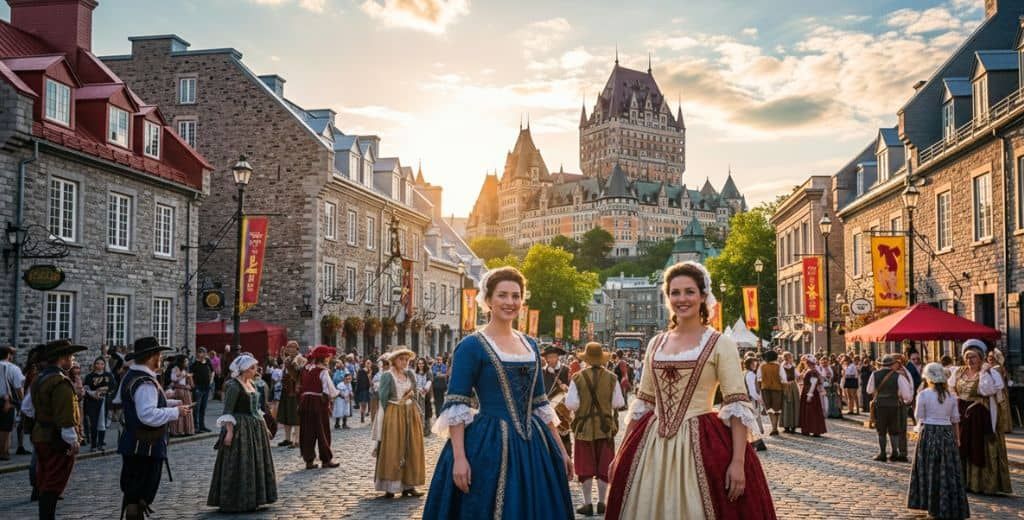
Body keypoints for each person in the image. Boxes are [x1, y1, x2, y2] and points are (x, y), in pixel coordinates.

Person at [605, 262, 775, 519]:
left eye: (689, 292)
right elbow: (643, 404)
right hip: (651, 446)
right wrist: (621, 454)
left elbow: (736, 405)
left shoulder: (720, 344)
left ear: (703, 296)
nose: (681, 299)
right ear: (667, 297)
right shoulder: (656, 343)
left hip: (704, 443)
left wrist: (738, 462)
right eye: (675, 293)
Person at [423, 266, 574, 519]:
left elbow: (540, 403)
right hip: (487, 444)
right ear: (488, 300)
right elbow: (456, 404)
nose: (510, 302)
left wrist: (560, 449)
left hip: (534, 444)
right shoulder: (471, 346)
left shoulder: (531, 344)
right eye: (502, 295)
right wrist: (459, 458)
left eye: (516, 296)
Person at [115, 337, 190, 520]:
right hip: (145, 445)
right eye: (160, 355)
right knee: (140, 494)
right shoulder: (145, 382)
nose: (161, 359)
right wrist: (174, 412)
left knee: (133, 492)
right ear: (151, 357)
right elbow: (147, 415)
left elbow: (123, 401)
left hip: (133, 442)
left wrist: (168, 401)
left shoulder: (131, 376)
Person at [207, 354, 278, 512]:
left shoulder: (251, 383)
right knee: (240, 462)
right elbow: (228, 411)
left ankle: (256, 498)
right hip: (241, 429)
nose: (255, 370)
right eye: (252, 368)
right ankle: (236, 500)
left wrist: (265, 427)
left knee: (255, 462)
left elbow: (256, 409)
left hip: (255, 428)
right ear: (244, 369)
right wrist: (229, 432)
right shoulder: (233, 386)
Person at [565, 342, 625, 516]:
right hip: (605, 429)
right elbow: (618, 403)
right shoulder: (612, 377)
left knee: (584, 467)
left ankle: (587, 505)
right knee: (604, 466)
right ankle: (601, 503)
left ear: (587, 359)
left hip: (583, 429)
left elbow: (571, 404)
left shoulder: (577, 377)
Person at [29, 340, 86, 519]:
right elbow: (66, 416)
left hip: (40, 435)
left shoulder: (39, 378)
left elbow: (27, 408)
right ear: (63, 358)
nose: (73, 359)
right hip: (56, 440)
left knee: (45, 480)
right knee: (53, 484)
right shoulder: (60, 382)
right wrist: (73, 441)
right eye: (71, 356)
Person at [907, 362, 969, 520]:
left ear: (928, 378)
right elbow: (955, 420)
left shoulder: (924, 394)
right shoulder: (951, 396)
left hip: (929, 432)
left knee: (929, 469)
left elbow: (919, 415)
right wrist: (957, 438)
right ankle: (948, 505)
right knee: (947, 470)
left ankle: (931, 506)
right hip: (947, 433)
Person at [950, 339, 1011, 495]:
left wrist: (984, 372)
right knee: (962, 446)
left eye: (973, 357)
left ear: (981, 358)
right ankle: (964, 482)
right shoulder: (959, 372)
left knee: (980, 447)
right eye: (967, 357)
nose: (970, 360)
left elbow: (987, 391)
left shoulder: (989, 373)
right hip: (962, 414)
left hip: (980, 415)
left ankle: (982, 484)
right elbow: (951, 389)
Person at [375, 347, 426, 497]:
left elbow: (415, 392)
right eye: (401, 359)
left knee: (412, 447)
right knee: (393, 447)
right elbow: (383, 399)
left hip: (410, 413)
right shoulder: (387, 376)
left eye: (406, 359)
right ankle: (390, 486)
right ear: (394, 361)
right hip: (394, 412)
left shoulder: (410, 374)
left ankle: (409, 486)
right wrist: (388, 416)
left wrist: (410, 398)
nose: (404, 362)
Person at [298, 345, 340, 469]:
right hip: (318, 402)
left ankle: (309, 460)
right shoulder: (323, 371)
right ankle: (326, 460)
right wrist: (335, 397)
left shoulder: (306, 368)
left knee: (307, 432)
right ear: (324, 358)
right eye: (327, 356)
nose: (329, 358)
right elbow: (328, 390)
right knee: (323, 431)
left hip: (305, 402)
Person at [867, 355, 913, 462]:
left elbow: (869, 390)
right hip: (894, 405)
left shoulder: (875, 374)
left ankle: (882, 453)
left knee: (881, 430)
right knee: (894, 430)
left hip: (880, 405)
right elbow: (907, 395)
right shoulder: (898, 376)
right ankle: (894, 453)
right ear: (892, 365)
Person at [541, 344, 573, 454]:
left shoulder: (565, 370)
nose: (551, 359)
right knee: (549, 436)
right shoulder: (542, 371)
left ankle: (568, 458)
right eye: (549, 357)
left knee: (564, 435)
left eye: (553, 356)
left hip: (562, 407)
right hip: (547, 407)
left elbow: (571, 389)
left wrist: (566, 388)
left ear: (557, 357)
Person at [82, 357, 115, 451]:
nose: (99, 365)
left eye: (101, 364)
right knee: (93, 424)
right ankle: (93, 445)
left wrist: (102, 390)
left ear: (104, 365)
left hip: (104, 401)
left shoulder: (108, 375)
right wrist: (93, 394)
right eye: (97, 363)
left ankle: (101, 443)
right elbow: (86, 388)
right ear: (94, 364)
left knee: (102, 423)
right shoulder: (90, 376)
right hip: (92, 402)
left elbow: (112, 386)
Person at [0, 345, 25, 460]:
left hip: (4, 399)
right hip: (7, 401)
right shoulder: (13, 368)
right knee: (5, 428)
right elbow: (18, 387)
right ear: (9, 355)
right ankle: (3, 452)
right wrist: (22, 400)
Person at [278, 341, 305, 448]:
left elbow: (300, 372)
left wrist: (295, 364)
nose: (288, 349)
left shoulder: (301, 359)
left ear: (296, 348)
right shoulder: (287, 359)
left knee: (296, 416)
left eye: (291, 347)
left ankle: (297, 440)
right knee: (286, 415)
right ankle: (287, 439)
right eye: (288, 347)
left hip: (295, 391)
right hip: (286, 390)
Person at [798, 355, 826, 437]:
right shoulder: (812, 370)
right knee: (812, 411)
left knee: (810, 411)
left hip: (810, 393)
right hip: (810, 392)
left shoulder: (812, 372)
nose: (806, 363)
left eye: (807, 362)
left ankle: (812, 429)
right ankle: (812, 429)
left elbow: (813, 384)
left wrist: (809, 395)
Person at [987, 349, 1013, 435]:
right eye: (989, 356)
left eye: (992, 357)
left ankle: (1004, 427)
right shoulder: (993, 367)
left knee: (1002, 409)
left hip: (999, 391)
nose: (990, 358)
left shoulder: (997, 368)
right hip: (997, 390)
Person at [757, 350, 783, 436]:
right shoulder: (779, 366)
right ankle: (775, 428)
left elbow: (759, 378)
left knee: (770, 409)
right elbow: (784, 378)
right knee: (777, 409)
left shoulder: (762, 366)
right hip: (777, 389)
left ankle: (774, 428)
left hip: (765, 389)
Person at [744, 357, 767, 450]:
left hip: (748, 399)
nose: (755, 366)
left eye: (756, 364)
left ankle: (754, 442)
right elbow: (752, 391)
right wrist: (760, 400)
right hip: (752, 400)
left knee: (752, 421)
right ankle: (756, 443)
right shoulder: (751, 375)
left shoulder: (745, 373)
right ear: (749, 365)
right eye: (753, 364)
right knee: (753, 421)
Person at [168, 356, 195, 437]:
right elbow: (173, 379)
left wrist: (188, 381)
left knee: (187, 409)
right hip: (178, 391)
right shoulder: (175, 368)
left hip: (185, 391)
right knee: (179, 410)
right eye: (186, 361)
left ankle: (187, 430)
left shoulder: (184, 369)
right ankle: (178, 431)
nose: (187, 362)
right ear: (181, 362)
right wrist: (183, 376)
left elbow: (188, 383)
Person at [191, 347, 214, 432]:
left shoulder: (208, 362)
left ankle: (202, 425)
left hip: (206, 386)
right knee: (197, 407)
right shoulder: (194, 363)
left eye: (203, 353)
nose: (202, 355)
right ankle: (196, 427)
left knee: (203, 407)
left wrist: (211, 381)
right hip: (198, 387)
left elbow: (212, 371)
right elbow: (190, 374)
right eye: (200, 353)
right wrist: (193, 385)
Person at [779, 351, 800, 434]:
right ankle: (789, 425)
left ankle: (790, 425)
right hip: (788, 386)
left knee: (790, 405)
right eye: (790, 357)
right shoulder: (782, 367)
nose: (791, 359)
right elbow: (797, 376)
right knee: (788, 405)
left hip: (790, 386)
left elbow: (797, 376)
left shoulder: (791, 367)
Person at [414, 357, 433, 435]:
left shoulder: (428, 372)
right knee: (418, 411)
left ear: (424, 364)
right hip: (417, 394)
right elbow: (414, 382)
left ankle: (427, 429)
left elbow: (429, 381)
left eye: (422, 363)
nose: (420, 365)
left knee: (427, 412)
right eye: (419, 363)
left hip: (426, 394)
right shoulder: (415, 372)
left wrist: (424, 389)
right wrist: (418, 389)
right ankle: (418, 429)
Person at [356, 359, 372, 423]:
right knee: (363, 404)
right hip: (363, 389)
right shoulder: (361, 371)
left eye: (369, 363)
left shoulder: (371, 371)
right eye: (367, 363)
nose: (368, 364)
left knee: (369, 404)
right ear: (365, 364)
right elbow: (359, 381)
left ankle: (369, 414)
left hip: (370, 389)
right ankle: (362, 416)